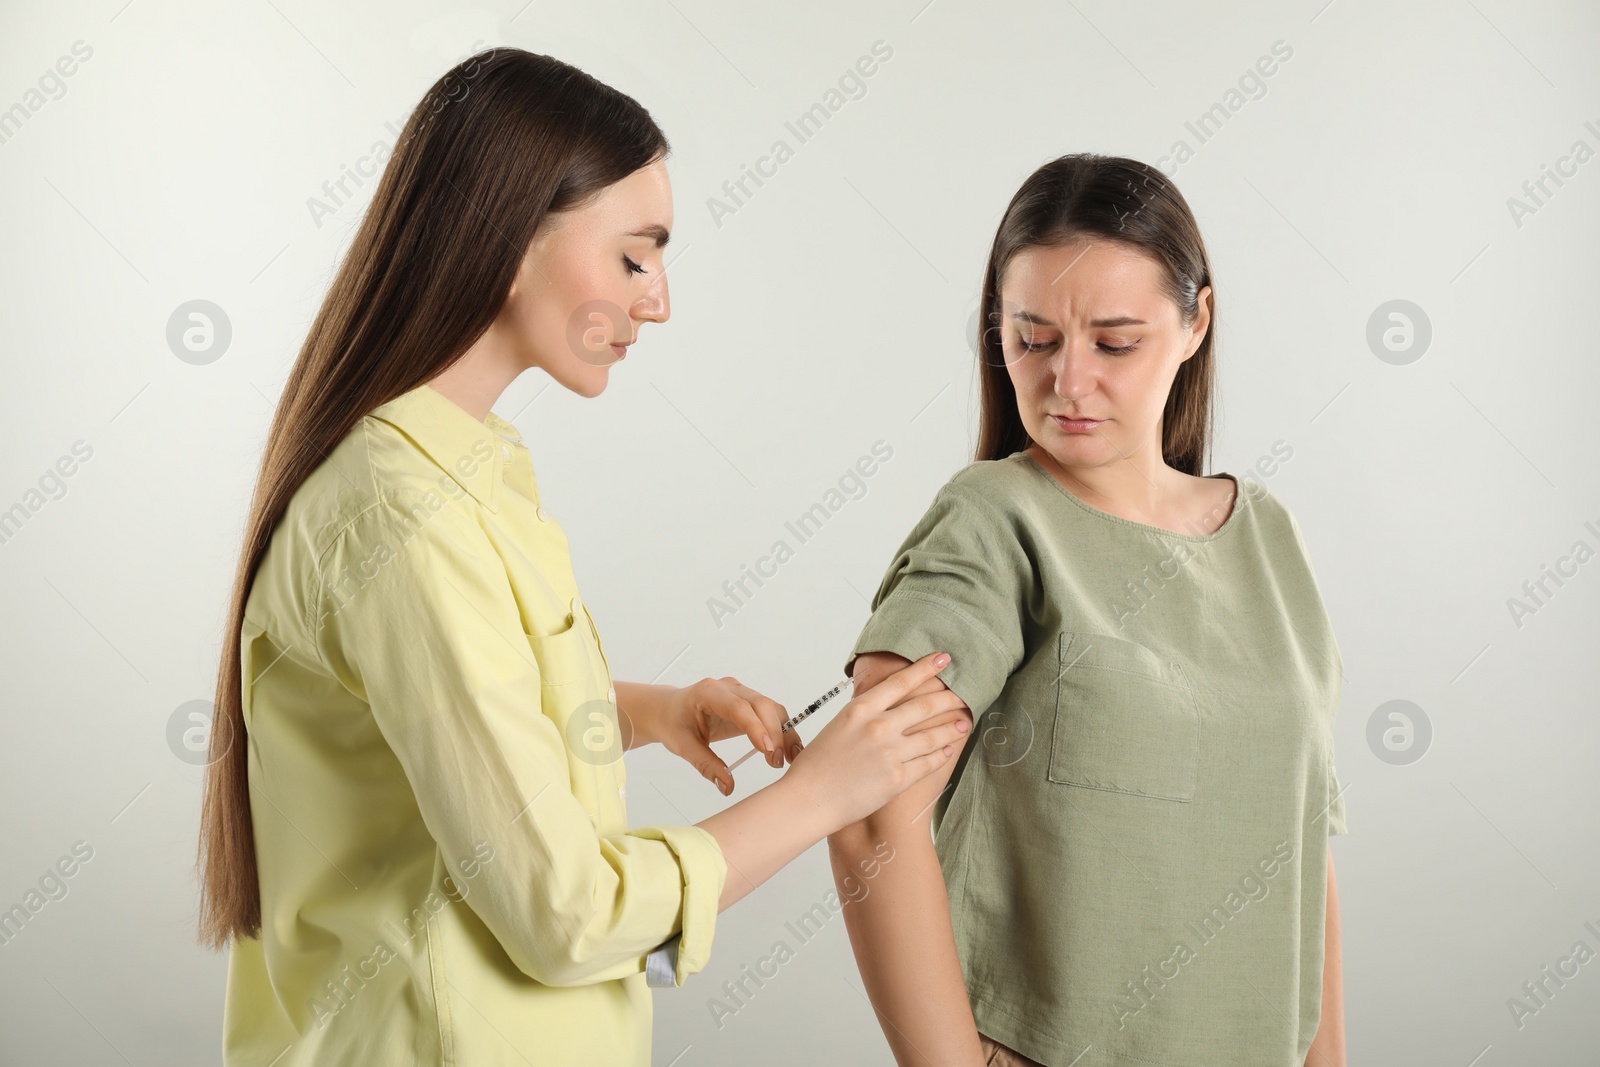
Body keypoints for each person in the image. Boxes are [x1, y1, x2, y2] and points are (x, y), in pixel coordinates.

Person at [195, 47, 972, 1066]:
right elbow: (566, 912)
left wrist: (649, 709)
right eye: (634, 256)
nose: (657, 303)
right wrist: (822, 792)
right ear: (511, 238)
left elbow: (443, 703)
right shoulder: (400, 514)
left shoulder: (464, 469)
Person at [829, 154, 1349, 1067]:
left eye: (1114, 343)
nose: (1068, 381)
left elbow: (1302, 848)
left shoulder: (1269, 537)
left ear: (1197, 323)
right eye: (1032, 339)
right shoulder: (993, 521)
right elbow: (867, 809)